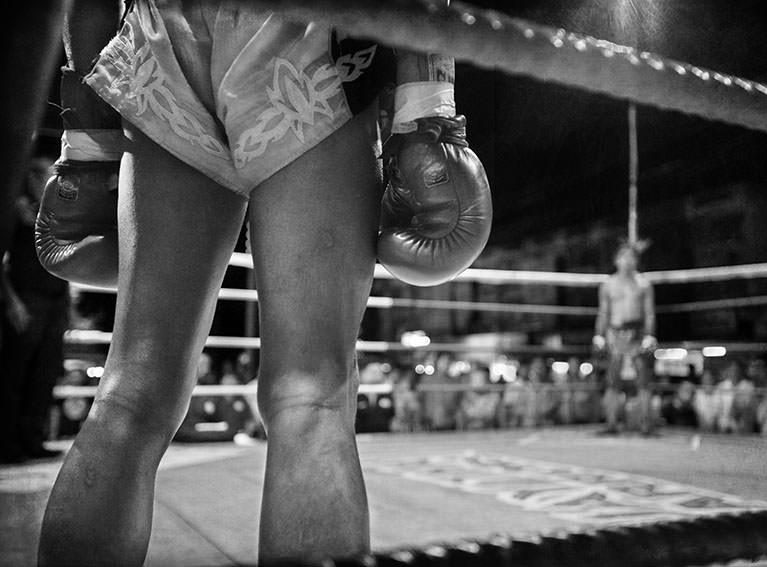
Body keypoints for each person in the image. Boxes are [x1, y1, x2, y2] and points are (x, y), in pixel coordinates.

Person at [38, 1, 490, 564]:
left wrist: (86, 144)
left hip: (162, 39)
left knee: (131, 392)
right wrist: (428, 110)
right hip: (305, 31)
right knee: (311, 396)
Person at [0, 157, 70, 464]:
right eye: (46, 176)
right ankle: (7, 444)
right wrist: (11, 301)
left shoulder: (58, 215)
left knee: (45, 372)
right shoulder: (15, 211)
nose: (52, 182)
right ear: (31, 178)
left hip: (56, 299)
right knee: (15, 372)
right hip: (27, 297)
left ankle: (33, 440)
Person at [592, 240, 657, 435]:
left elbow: (649, 313)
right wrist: (599, 335)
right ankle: (611, 424)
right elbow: (603, 312)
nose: (628, 261)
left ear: (636, 261)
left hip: (637, 332)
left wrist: (650, 335)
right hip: (614, 333)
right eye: (624, 257)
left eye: (631, 257)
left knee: (643, 380)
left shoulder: (644, 284)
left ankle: (646, 425)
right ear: (616, 260)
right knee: (612, 380)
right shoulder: (608, 285)